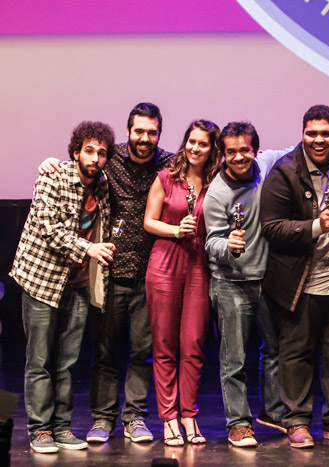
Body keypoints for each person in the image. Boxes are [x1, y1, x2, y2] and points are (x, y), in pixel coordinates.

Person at [39, 103, 172, 443]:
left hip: (150, 274)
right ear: (128, 132)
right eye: (139, 131)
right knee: (105, 351)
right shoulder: (109, 160)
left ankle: (135, 418)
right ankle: (102, 419)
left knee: (143, 351)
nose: (145, 138)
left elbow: (208, 164)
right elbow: (79, 166)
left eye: (152, 132)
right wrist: (50, 163)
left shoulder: (170, 164)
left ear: (159, 133)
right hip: (108, 272)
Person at [260, 104, 329, 449]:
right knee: (297, 353)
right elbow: (271, 227)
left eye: (326, 134)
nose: (319, 140)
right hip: (301, 281)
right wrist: (316, 226)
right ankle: (297, 421)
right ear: (302, 134)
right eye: (312, 134)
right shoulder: (285, 171)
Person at [11, 121, 116, 453]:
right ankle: (39, 430)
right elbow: (48, 227)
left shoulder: (102, 188)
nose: (95, 157)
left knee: (68, 361)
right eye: (89, 150)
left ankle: (61, 427)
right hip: (42, 282)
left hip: (79, 285)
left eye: (101, 152)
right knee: (40, 359)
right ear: (75, 152)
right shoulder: (53, 177)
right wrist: (88, 249)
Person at [203, 122, 291, 447]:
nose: (239, 157)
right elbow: (210, 243)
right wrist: (229, 246)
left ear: (255, 149)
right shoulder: (217, 194)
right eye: (231, 152)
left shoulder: (265, 164)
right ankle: (238, 423)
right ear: (222, 154)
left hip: (266, 280)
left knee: (276, 350)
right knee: (234, 360)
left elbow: (298, 149)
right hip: (231, 283)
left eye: (245, 150)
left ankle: (274, 411)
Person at [143, 119, 220, 446]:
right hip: (164, 263)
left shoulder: (217, 182)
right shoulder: (166, 177)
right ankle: (169, 418)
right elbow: (149, 221)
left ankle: (189, 414)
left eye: (203, 143)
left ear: (211, 148)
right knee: (164, 346)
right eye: (191, 141)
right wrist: (176, 230)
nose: (195, 148)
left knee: (193, 345)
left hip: (198, 266)